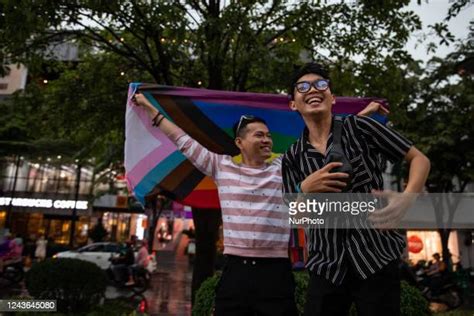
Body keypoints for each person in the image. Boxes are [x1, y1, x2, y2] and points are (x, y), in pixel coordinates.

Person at [282, 62, 431, 316]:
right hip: (326, 263)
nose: (313, 90)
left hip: (376, 255)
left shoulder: (360, 127)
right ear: (293, 103)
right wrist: (304, 189)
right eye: (302, 87)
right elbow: (294, 214)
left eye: (321, 84)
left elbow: (420, 159)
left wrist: (407, 199)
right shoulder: (292, 157)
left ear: (333, 97)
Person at [134, 93, 298, 316]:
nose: (267, 140)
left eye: (268, 136)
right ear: (239, 142)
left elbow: (317, 136)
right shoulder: (221, 166)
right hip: (235, 272)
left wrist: (362, 115)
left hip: (276, 272)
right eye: (259, 135)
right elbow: (182, 140)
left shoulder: (283, 167)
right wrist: (148, 107)